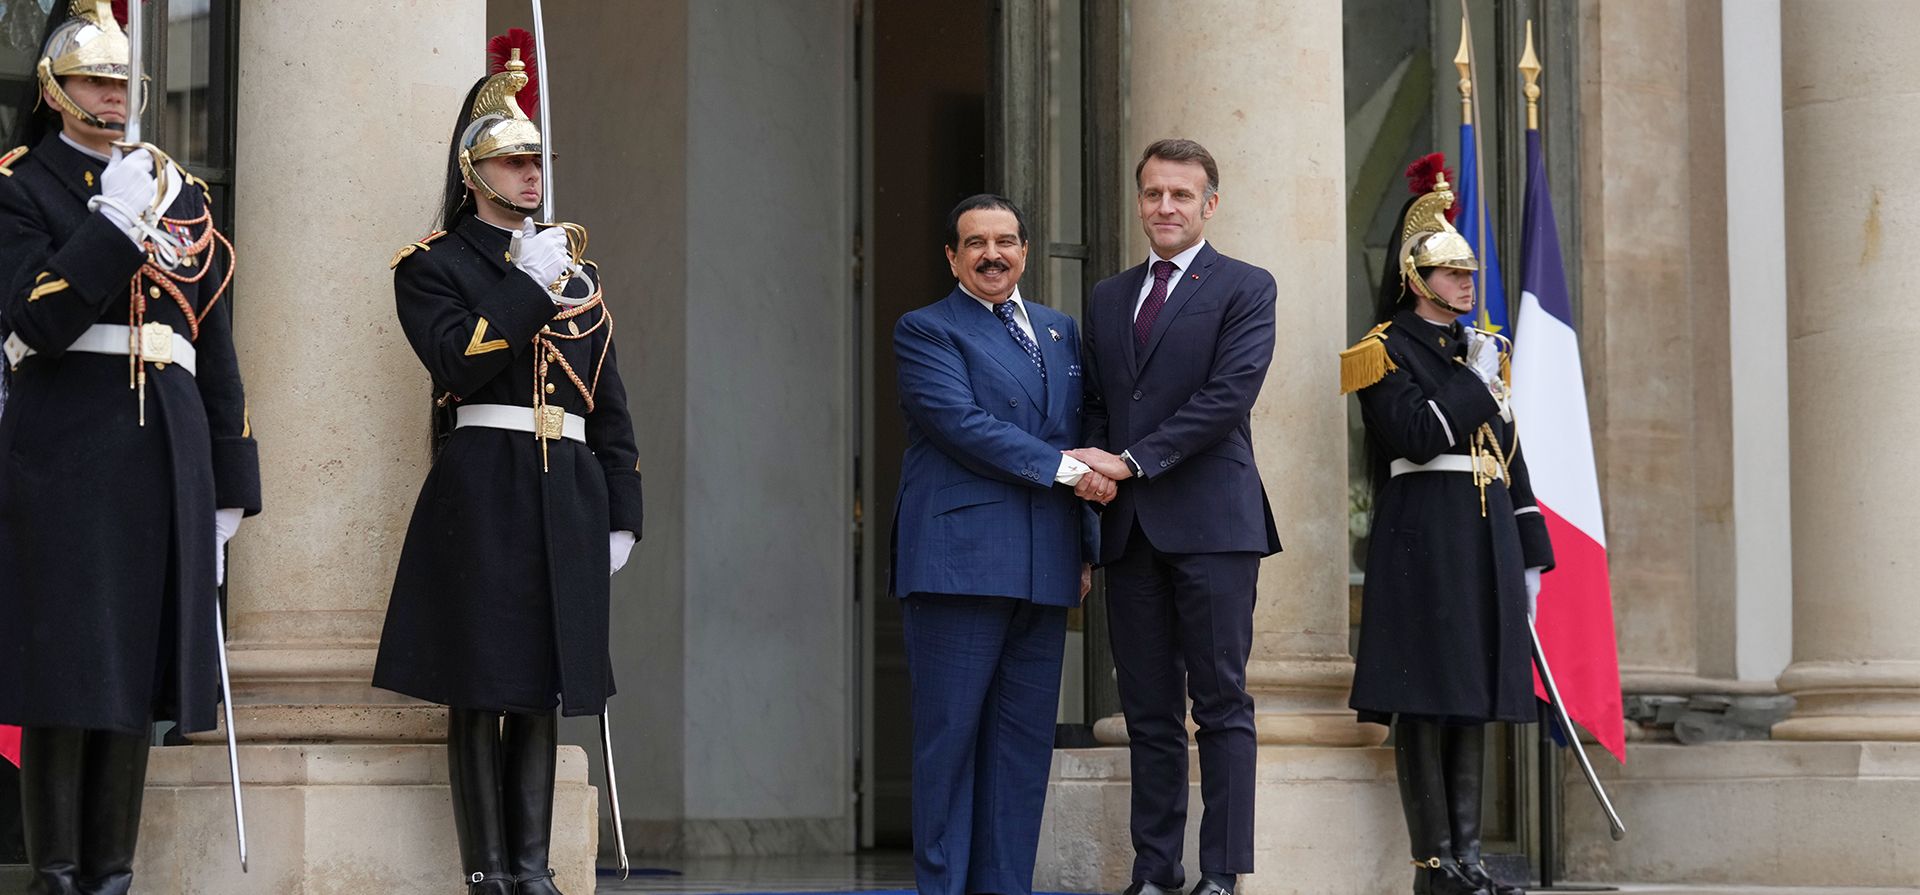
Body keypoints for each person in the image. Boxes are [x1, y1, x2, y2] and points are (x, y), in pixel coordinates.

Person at [371, 30, 643, 895]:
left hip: (565, 483)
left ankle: (533, 868)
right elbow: (457, 361)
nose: (532, 175)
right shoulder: (434, 266)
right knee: (479, 682)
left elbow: (608, 395)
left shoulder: (573, 268)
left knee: (542, 681)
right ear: (472, 172)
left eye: (537, 160)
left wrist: (624, 505)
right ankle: (486, 869)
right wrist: (524, 285)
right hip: (483, 479)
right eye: (514, 162)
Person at [0, 2, 258, 891]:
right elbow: (38, 315)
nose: (110, 97)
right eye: (92, 81)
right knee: (68, 669)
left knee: (135, 672)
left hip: (166, 444)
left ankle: (112, 875)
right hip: (69, 437)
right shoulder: (19, 183)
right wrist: (109, 225)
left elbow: (213, 343)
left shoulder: (182, 192)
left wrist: (231, 475)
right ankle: (57, 875)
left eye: (119, 81)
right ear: (52, 88)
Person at [1070, 139, 1279, 895]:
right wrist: (1093, 468)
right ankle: (1155, 873)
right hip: (1129, 533)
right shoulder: (1106, 295)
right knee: (1148, 712)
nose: (1165, 207)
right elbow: (1098, 401)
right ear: (1139, 201)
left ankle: (1222, 876)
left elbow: (1228, 397)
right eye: (1154, 193)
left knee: (1221, 704)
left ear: (1209, 205)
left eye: (1181, 195)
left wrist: (1132, 461)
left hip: (1216, 525)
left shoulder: (1247, 286)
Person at [1340, 154, 1553, 895]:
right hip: (1423, 538)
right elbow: (1418, 435)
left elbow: (1510, 455)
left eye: (1469, 273)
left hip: (1483, 539)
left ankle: (1470, 857)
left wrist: (1530, 551)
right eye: (1453, 273)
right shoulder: (1380, 352)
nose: (1468, 284)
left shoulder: (1481, 351)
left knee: (1473, 696)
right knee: (1426, 700)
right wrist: (1474, 379)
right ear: (1417, 277)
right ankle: (1432, 865)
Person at [891, 193, 1106, 895]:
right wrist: (1071, 470)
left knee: (1020, 752)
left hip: (1045, 565)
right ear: (952, 257)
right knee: (949, 745)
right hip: (959, 563)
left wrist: (1086, 549)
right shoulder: (925, 330)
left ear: (1025, 250)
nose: (993, 254)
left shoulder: (1060, 331)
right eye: (976, 242)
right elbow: (960, 422)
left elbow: (1077, 420)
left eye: (1007, 241)